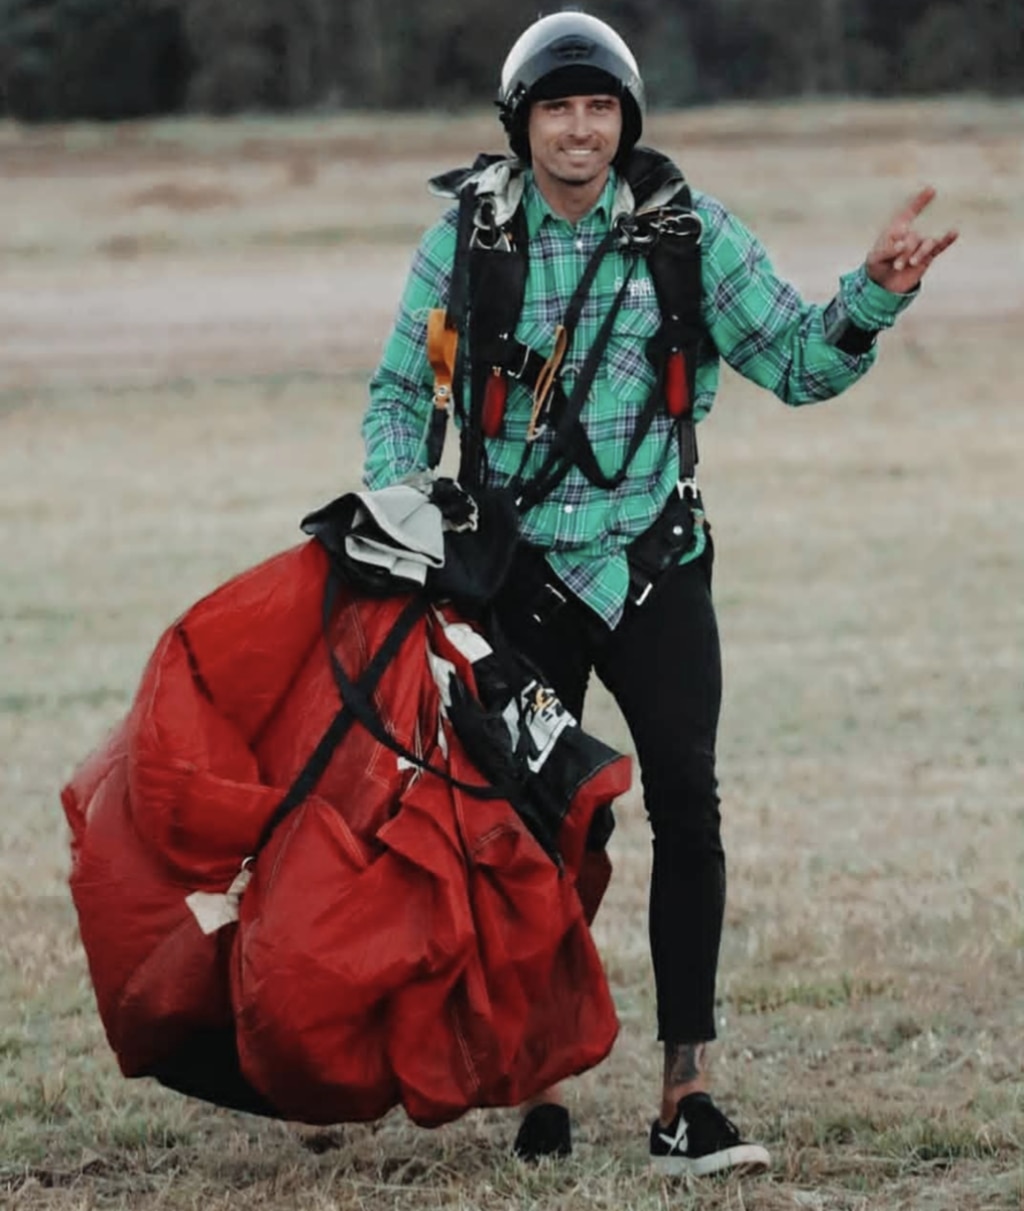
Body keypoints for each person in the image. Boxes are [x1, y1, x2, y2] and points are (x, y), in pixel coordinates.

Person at [360, 8, 957, 1178]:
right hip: (519, 574)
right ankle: (539, 1080)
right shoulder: (470, 238)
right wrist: (404, 505)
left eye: (599, 109)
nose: (579, 132)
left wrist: (872, 296)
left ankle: (687, 1091)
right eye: (556, 109)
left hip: (652, 564)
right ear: (520, 123)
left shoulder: (687, 232)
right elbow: (396, 393)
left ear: (625, 122)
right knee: (533, 828)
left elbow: (792, 355)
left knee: (688, 804)